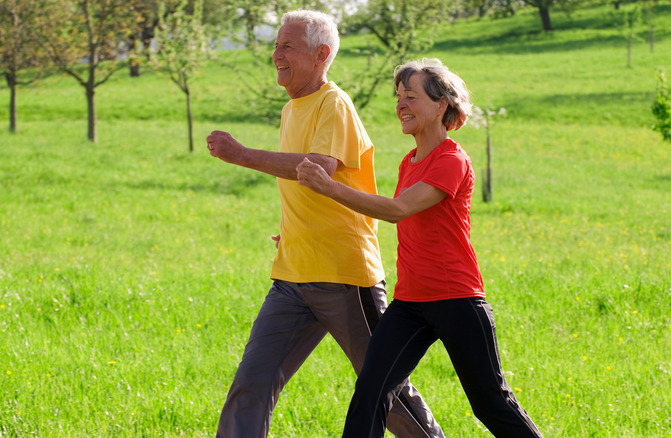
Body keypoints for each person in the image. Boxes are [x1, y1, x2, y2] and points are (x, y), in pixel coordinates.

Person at [206, 10, 444, 438]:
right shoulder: (290, 109)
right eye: (276, 44)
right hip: (292, 275)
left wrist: (240, 154)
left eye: (287, 46)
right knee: (252, 384)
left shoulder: (335, 104)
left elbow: (317, 167)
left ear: (321, 54)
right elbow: (305, 187)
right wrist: (296, 229)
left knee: (386, 391)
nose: (276, 54)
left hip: (343, 276)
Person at [296, 58, 544, 438]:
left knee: (490, 404)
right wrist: (307, 234)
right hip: (410, 303)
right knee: (371, 392)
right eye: (398, 97)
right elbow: (383, 214)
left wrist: (329, 187)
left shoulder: (451, 160)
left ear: (441, 104)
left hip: (457, 299)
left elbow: (398, 210)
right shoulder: (409, 162)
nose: (401, 105)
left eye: (410, 96)